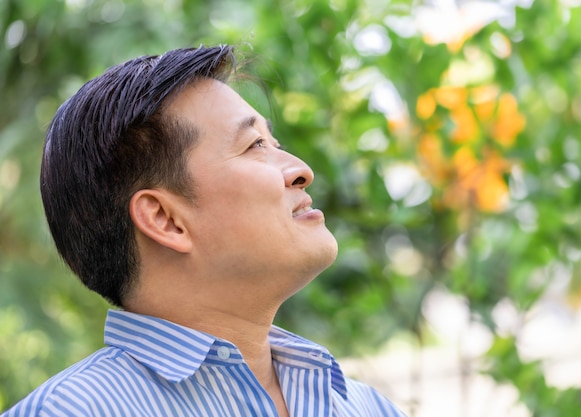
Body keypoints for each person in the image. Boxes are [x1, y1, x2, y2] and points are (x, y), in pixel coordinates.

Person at [1, 45, 405, 416]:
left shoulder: (364, 406)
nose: (301, 169)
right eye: (254, 146)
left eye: (274, 142)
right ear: (165, 219)